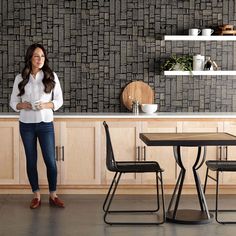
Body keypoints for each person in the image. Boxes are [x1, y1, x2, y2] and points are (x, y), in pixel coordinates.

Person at [10, 43, 64, 209]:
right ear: (30, 58)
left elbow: (59, 100)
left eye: (42, 56)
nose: (40, 59)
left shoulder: (51, 76)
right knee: (31, 160)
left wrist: (46, 105)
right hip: (26, 125)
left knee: (50, 160)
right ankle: (36, 195)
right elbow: (13, 102)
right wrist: (23, 105)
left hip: (45, 124)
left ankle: (53, 195)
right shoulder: (21, 78)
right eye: (36, 56)